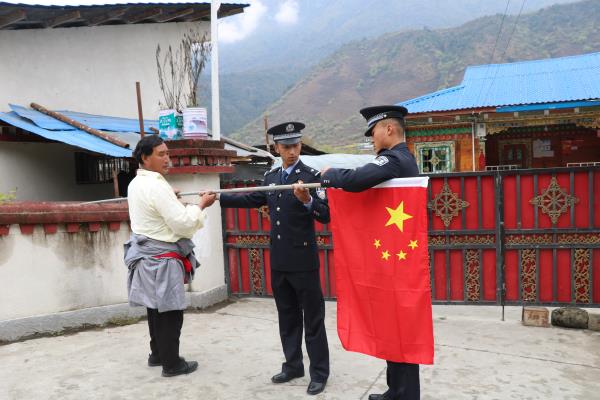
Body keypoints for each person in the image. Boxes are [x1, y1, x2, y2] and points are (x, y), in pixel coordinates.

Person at [215, 122, 330, 395]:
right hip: (279, 260)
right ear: (276, 148)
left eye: (296, 145)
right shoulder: (272, 177)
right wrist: (217, 198)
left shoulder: (310, 176)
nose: (292, 151)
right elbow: (253, 198)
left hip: (304, 262)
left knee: (313, 320)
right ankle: (293, 365)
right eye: (286, 146)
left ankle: (319, 373)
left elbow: (325, 215)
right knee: (287, 317)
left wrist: (307, 200)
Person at [320, 105, 421, 400]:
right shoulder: (400, 159)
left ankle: (405, 394)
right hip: (393, 258)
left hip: (398, 261)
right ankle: (396, 390)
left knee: (401, 329)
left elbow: (357, 181)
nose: (372, 138)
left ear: (389, 129)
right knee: (393, 327)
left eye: (374, 131)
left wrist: (330, 175)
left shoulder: (395, 159)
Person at [124, 134, 216, 378]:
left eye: (167, 153)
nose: (167, 159)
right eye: (161, 154)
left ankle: (157, 354)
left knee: (155, 308)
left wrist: (170, 197)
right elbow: (183, 224)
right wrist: (201, 205)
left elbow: (156, 209)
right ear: (145, 158)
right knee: (170, 311)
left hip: (146, 256)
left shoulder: (136, 183)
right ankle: (172, 363)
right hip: (162, 257)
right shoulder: (156, 186)